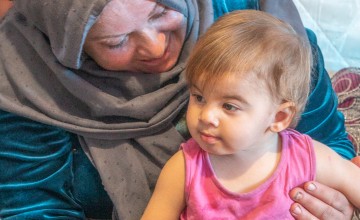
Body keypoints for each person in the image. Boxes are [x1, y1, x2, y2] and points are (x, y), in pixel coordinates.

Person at [0, 0, 358, 219]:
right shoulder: (23, 82)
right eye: (116, 41)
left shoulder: (257, 28)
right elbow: (29, 207)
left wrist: (336, 205)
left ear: (280, 117)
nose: (155, 48)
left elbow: (332, 145)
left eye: (161, 11)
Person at [141, 10, 360, 219]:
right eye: (199, 97)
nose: (206, 116)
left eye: (229, 106)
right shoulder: (184, 167)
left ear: (279, 117)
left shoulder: (306, 157)